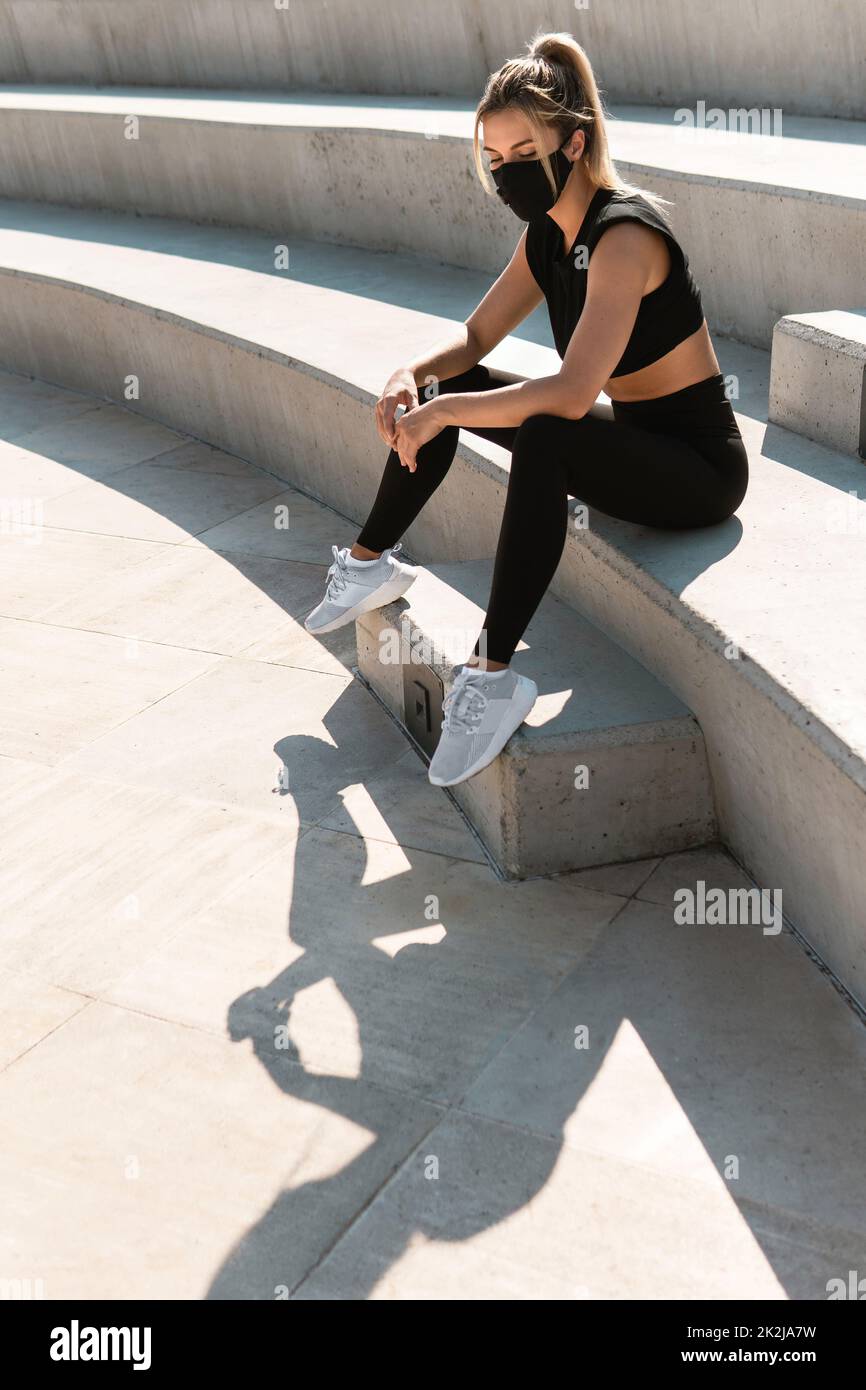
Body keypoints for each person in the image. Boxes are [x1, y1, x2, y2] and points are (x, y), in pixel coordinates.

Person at [305, 29, 749, 788]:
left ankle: (494, 673)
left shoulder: (624, 238)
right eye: (494, 160)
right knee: (451, 389)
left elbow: (574, 393)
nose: (506, 174)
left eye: (521, 156)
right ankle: (369, 564)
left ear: (574, 146)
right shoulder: (549, 238)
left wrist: (443, 418)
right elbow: (476, 336)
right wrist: (410, 377)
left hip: (699, 473)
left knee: (541, 431)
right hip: (634, 443)